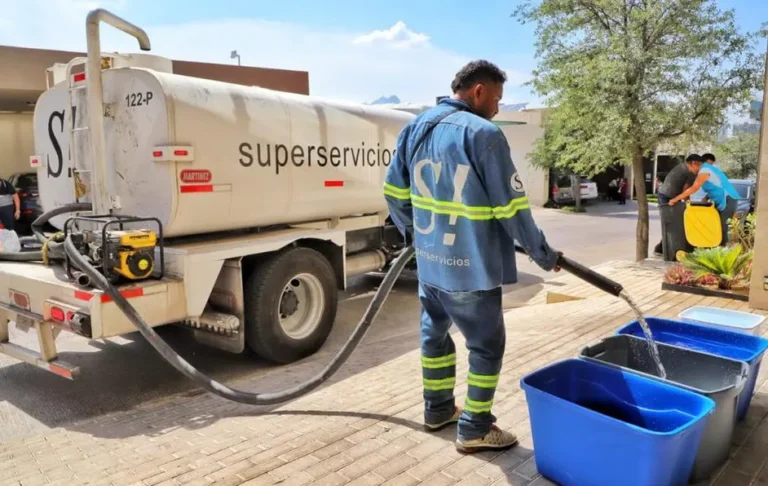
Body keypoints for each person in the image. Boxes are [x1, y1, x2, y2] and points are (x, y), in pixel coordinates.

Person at [383, 60, 561, 453]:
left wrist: (417, 235)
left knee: (434, 336)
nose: (498, 108)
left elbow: (393, 193)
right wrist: (544, 254)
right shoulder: (484, 134)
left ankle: (438, 410)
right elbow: (512, 208)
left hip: (431, 263)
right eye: (496, 98)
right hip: (472, 266)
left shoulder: (415, 127)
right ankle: (475, 428)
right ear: (478, 91)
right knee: (485, 345)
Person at [669, 153, 740, 246]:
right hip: (727, 198)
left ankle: (722, 254)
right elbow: (716, 185)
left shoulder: (705, 170)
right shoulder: (709, 169)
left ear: (694, 163)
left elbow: (694, 188)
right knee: (716, 225)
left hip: (727, 199)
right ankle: (716, 250)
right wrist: (706, 198)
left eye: (689, 167)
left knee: (722, 227)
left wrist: (675, 199)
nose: (689, 170)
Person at [653, 156, 698, 257]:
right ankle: (661, 249)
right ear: (694, 163)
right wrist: (688, 203)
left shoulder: (682, 167)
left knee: (671, 224)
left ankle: (663, 248)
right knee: (670, 224)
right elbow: (686, 190)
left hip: (666, 195)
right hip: (667, 197)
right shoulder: (691, 172)